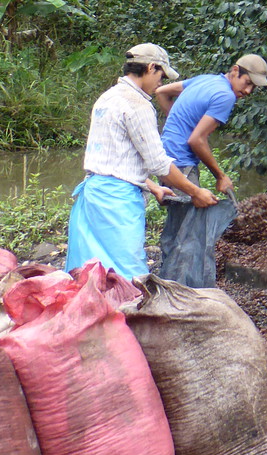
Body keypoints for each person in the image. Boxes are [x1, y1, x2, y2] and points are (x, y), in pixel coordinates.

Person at [68, 43, 215, 281]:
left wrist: (153, 186)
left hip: (94, 195)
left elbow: (117, 158)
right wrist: (195, 191)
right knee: (129, 278)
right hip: (116, 205)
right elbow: (160, 164)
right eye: (160, 74)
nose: (160, 81)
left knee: (90, 277)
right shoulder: (138, 105)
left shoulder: (107, 98)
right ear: (150, 67)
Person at [151, 53, 267, 288]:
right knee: (188, 232)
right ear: (235, 71)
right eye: (247, 83)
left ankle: (168, 279)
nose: (248, 92)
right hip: (181, 162)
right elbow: (197, 140)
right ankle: (181, 288)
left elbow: (161, 93)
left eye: (253, 88)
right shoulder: (225, 95)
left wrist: (176, 120)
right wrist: (220, 176)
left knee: (177, 225)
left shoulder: (206, 80)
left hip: (166, 157)